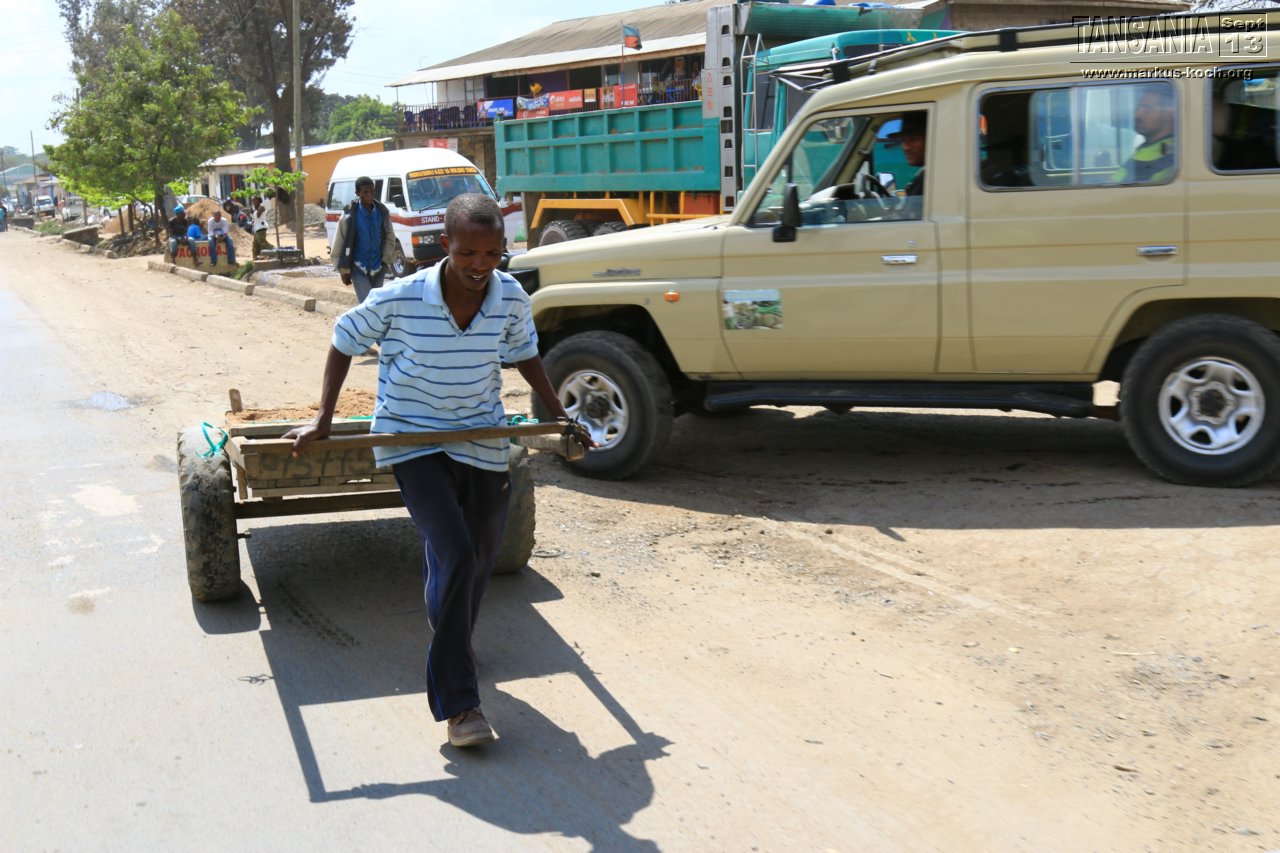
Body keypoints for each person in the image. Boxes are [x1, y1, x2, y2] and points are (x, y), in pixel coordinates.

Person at [285, 194, 581, 748]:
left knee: (479, 555)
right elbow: (343, 339)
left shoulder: (511, 297)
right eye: (468, 252)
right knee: (459, 553)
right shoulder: (401, 297)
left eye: (491, 253)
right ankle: (460, 706)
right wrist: (323, 418)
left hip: (480, 436)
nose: (479, 265)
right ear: (446, 245)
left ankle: (448, 627)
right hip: (411, 438)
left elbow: (524, 354)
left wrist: (560, 413)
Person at [331, 175, 397, 302]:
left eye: (372, 191)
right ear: (357, 193)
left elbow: (390, 236)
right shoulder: (348, 215)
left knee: (377, 303)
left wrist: (385, 260)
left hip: (378, 266)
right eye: (365, 192)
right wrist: (343, 271)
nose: (369, 195)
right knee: (368, 304)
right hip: (358, 267)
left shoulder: (382, 211)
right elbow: (339, 242)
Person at [1116, 85, 1175, 184]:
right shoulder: (1149, 149)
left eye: (1147, 108)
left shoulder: (1166, 157)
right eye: (1138, 108)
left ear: (1169, 113)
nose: (1137, 115)